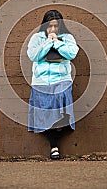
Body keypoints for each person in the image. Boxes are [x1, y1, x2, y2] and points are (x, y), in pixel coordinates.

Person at [27, 9, 79, 159]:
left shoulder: (67, 37)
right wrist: (48, 42)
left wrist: (56, 42)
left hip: (61, 80)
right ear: (45, 25)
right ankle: (53, 146)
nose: (53, 29)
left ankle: (55, 142)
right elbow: (33, 55)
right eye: (50, 26)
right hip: (41, 82)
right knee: (44, 115)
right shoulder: (37, 37)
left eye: (56, 26)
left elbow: (71, 53)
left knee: (62, 114)